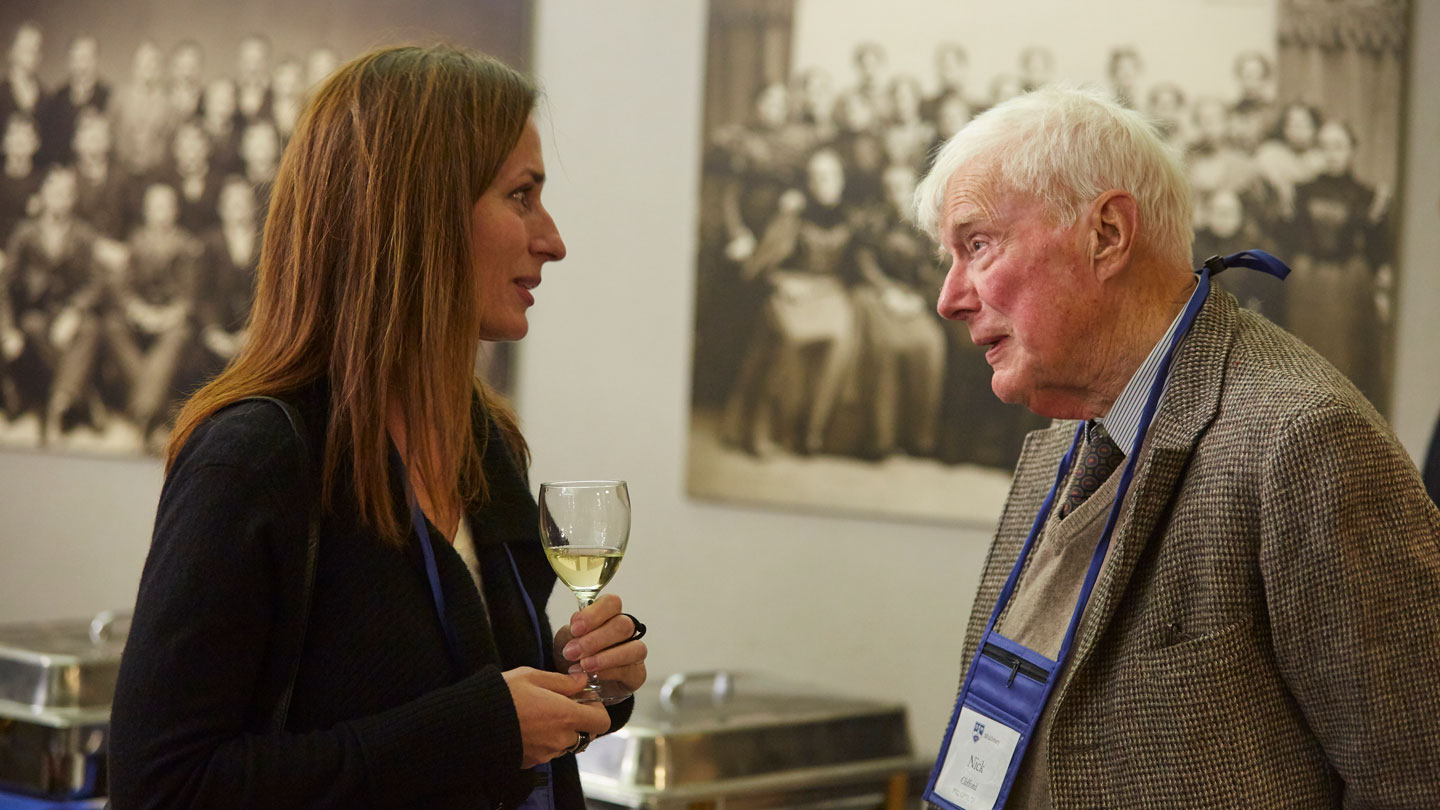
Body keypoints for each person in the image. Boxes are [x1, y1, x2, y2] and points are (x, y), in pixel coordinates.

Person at [109, 44, 648, 809]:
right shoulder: (254, 458)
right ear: (421, 211)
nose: (553, 239)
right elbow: (163, 790)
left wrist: (578, 682)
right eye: (522, 195)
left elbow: (477, 702)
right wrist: (481, 729)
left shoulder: (484, 444)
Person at [912, 86, 1440, 808]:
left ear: (1106, 234)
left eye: (977, 246)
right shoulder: (1059, 441)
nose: (949, 297)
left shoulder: (1305, 442)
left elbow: (1418, 776)